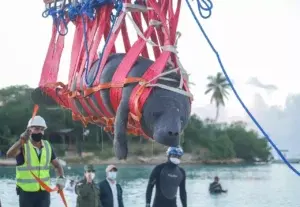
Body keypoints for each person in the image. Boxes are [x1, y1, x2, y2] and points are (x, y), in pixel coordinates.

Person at [6, 115, 66, 207]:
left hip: (44, 193)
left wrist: (61, 179)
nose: (40, 132)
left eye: (42, 129)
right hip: (26, 194)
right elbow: (9, 154)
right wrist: (20, 141)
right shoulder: (22, 146)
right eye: (37, 129)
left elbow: (57, 165)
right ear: (29, 130)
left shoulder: (47, 146)